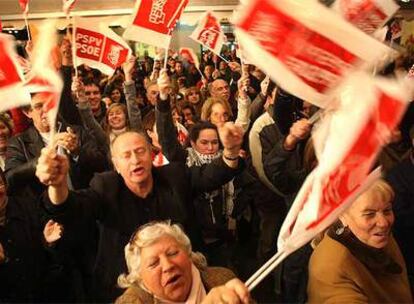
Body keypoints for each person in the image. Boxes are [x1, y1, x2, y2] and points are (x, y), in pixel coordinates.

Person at [36, 115, 244, 301]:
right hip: (127, 288)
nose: (135, 160)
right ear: (116, 164)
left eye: (140, 151)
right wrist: (57, 184)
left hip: (183, 280)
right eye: (126, 156)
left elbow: (211, 176)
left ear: (151, 155)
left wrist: (231, 150)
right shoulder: (105, 187)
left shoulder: (174, 176)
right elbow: (72, 207)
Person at [307, 179, 413, 303]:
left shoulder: (377, 236)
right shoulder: (330, 265)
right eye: (369, 214)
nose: (384, 223)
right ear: (342, 216)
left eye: (387, 210)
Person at [116, 221, 252, 304]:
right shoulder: (132, 302)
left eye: (173, 253)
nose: (168, 266)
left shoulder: (223, 279)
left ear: (188, 255)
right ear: (140, 279)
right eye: (153, 263)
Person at [5, 92, 107, 198]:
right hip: (45, 209)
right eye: (39, 106)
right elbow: (10, 178)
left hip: (83, 202)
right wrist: (42, 160)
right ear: (27, 112)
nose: (46, 110)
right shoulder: (18, 142)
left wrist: (77, 152)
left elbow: (102, 164)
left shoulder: (78, 132)